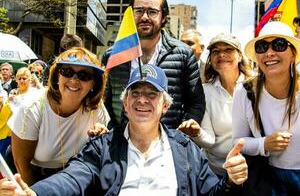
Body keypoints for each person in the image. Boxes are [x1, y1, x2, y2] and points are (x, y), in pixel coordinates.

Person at [0, 64, 248, 196]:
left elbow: (214, 192)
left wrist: (231, 180)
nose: (143, 100)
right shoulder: (101, 147)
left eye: (152, 94)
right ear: (125, 104)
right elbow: (72, 179)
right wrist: (35, 192)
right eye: (135, 93)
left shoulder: (185, 150)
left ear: (164, 106)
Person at [7, 47, 110, 185]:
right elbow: (21, 166)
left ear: (94, 83)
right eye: (67, 72)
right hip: (32, 175)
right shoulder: (31, 108)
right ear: (57, 76)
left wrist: (101, 138)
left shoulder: (96, 109)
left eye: (84, 75)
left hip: (72, 176)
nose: (74, 80)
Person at [102, 0, 205, 130]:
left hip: (167, 144)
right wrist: (113, 134)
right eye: (138, 11)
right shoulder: (113, 55)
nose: (144, 17)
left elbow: (196, 103)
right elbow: (103, 101)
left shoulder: (183, 54)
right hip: (120, 142)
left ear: (163, 17)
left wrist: (179, 137)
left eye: (152, 11)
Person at [232, 21, 300, 195]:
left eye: (279, 45)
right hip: (268, 182)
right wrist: (264, 143)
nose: (269, 53)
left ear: (292, 53)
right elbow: (237, 141)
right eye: (262, 46)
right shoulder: (245, 91)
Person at [178, 33, 252, 177]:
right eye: (216, 51)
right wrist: (197, 132)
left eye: (228, 50)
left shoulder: (256, 85)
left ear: (240, 56)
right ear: (210, 59)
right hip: (216, 173)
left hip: (252, 172)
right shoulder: (205, 91)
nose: (221, 55)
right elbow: (209, 141)